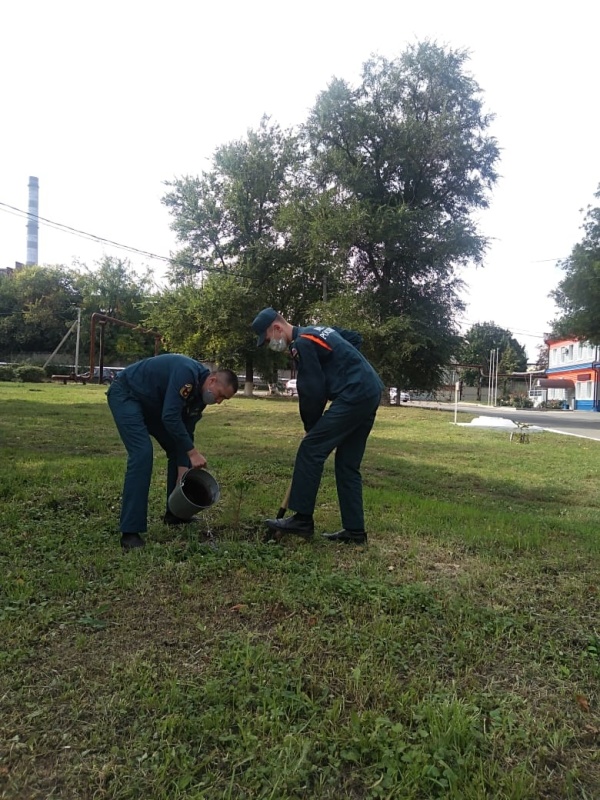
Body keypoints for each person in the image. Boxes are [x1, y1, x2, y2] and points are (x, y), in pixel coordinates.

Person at [252, 307, 383, 544]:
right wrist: (345, 367)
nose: (272, 345)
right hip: (370, 390)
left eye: (269, 339)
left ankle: (302, 519)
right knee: (347, 464)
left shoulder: (302, 343)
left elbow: (311, 388)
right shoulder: (319, 331)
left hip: (354, 393)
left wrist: (311, 425)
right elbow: (354, 338)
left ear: (277, 328)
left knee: (311, 449)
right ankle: (355, 531)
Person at [107, 353, 238, 549]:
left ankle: (175, 514)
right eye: (220, 395)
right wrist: (192, 453)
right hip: (127, 394)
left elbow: (186, 431)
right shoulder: (186, 372)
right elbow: (170, 417)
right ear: (212, 380)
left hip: (153, 404)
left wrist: (183, 468)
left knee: (180, 450)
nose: (218, 401)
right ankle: (130, 532)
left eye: (223, 399)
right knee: (142, 453)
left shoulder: (201, 397)